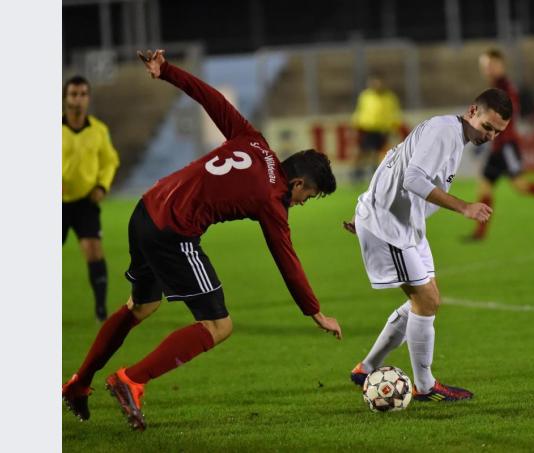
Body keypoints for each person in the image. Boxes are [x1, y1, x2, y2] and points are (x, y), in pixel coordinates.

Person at [62, 49, 342, 431]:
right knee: (217, 325)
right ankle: (131, 380)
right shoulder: (273, 199)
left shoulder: (253, 139)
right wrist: (315, 311)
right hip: (172, 232)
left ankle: (80, 382)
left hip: (146, 209)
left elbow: (210, 98)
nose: (301, 202)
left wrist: (167, 71)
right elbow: (286, 258)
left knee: (141, 306)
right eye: (306, 196)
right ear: (297, 183)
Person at [343, 88, 511, 402]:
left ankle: (366, 368)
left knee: (426, 302)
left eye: (497, 133)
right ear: (473, 110)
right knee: (427, 301)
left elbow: (394, 160)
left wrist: (365, 208)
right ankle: (425, 386)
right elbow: (412, 179)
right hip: (390, 228)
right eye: (488, 127)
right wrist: (464, 207)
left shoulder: (451, 134)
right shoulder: (444, 132)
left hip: (405, 225)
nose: (490, 136)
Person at [469, 48, 534, 241]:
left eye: (492, 65)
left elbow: (505, 116)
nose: (488, 69)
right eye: (485, 66)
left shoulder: (504, 88)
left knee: (521, 187)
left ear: (501, 66)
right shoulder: (498, 86)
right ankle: (480, 233)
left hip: (507, 146)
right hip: (497, 147)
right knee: (484, 187)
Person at [62, 75, 120, 321]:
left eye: (83, 94)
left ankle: (100, 308)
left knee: (94, 251)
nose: (79, 98)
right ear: (65, 98)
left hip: (86, 202)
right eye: (74, 94)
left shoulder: (99, 130)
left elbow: (110, 161)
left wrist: (102, 186)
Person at [350, 73, 404, 184]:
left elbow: (394, 112)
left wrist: (395, 126)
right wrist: (356, 123)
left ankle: (375, 173)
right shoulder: (365, 96)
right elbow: (360, 110)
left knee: (378, 152)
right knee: (363, 151)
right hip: (367, 128)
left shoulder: (390, 97)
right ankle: (357, 172)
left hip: (383, 129)